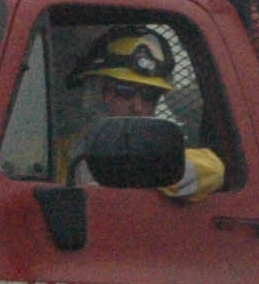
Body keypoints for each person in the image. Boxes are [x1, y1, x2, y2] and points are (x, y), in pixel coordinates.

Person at [57, 28, 225, 202]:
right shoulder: (61, 153)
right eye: (125, 91)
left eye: (149, 95)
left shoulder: (161, 152)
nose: (137, 107)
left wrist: (139, 167)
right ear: (98, 91)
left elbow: (213, 170)